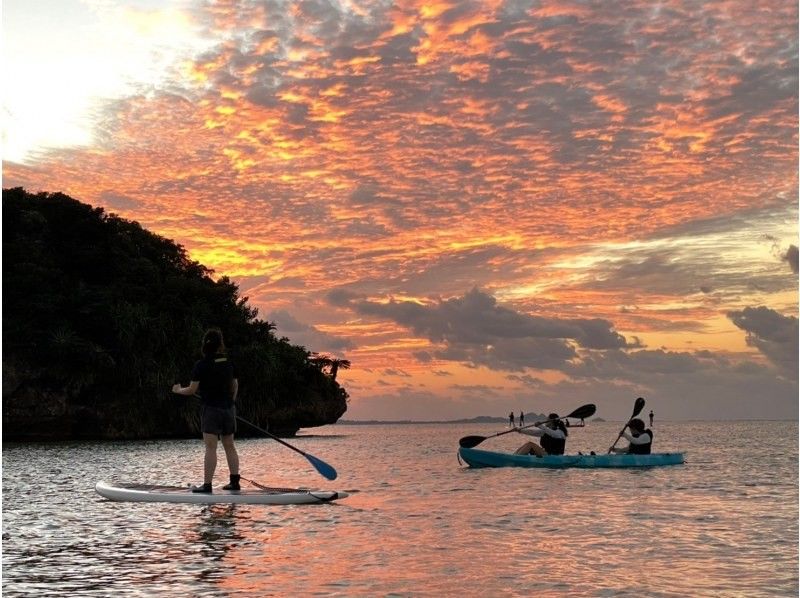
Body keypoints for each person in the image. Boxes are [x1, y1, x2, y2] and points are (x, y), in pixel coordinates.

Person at [172, 329, 241, 493]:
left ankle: (207, 486)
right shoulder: (228, 362)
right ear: (220, 344)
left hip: (210, 410)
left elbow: (191, 390)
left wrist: (178, 390)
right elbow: (235, 385)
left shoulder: (201, 365)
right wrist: (231, 402)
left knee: (211, 447)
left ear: (205, 345)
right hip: (228, 409)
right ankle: (234, 482)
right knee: (229, 445)